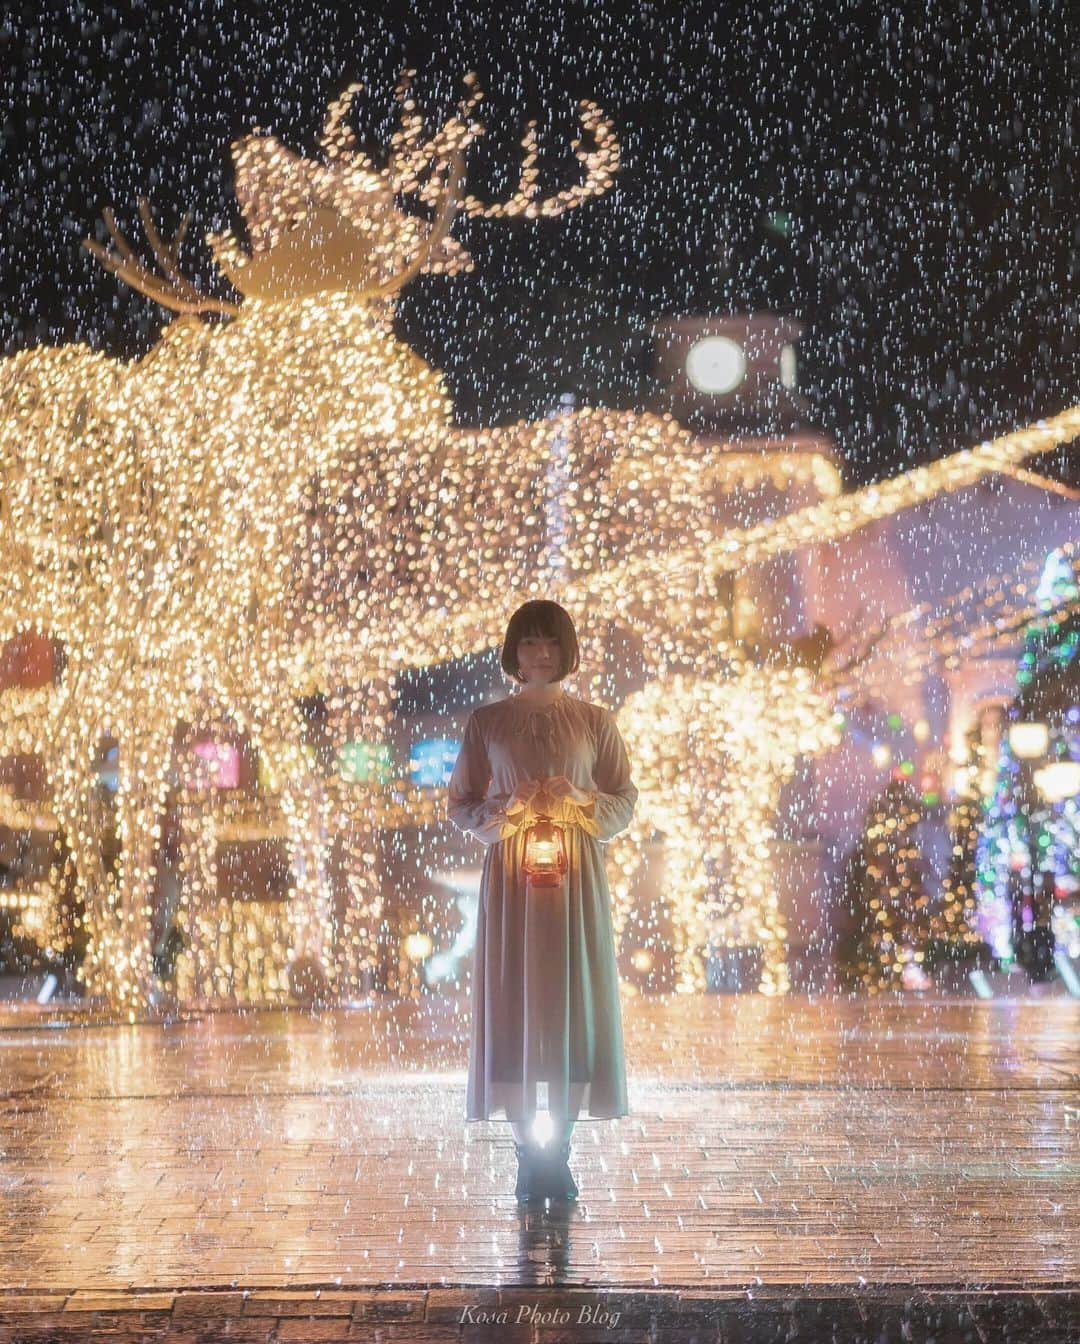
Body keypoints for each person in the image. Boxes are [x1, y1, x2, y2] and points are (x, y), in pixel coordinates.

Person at [447, 599, 639, 1203]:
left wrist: (579, 801)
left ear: (566, 651)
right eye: (529, 644)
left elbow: (625, 800)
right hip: (510, 882)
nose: (541, 655)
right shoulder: (487, 723)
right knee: (515, 1006)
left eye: (551, 644)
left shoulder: (594, 721)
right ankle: (528, 1155)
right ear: (514, 651)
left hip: (575, 883)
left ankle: (560, 1151)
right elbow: (459, 804)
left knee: (569, 1008)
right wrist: (506, 812)